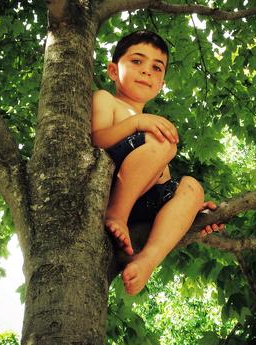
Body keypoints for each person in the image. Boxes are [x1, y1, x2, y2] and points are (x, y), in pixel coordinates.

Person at [91, 30, 224, 295]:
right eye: (137, 61)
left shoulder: (153, 127)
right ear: (114, 71)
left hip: (141, 200)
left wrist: (188, 209)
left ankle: (147, 259)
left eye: (156, 67)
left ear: (161, 83)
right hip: (114, 184)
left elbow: (160, 179)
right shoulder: (106, 100)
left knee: (191, 187)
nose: (147, 71)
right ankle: (116, 213)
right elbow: (98, 139)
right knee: (163, 140)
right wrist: (137, 123)